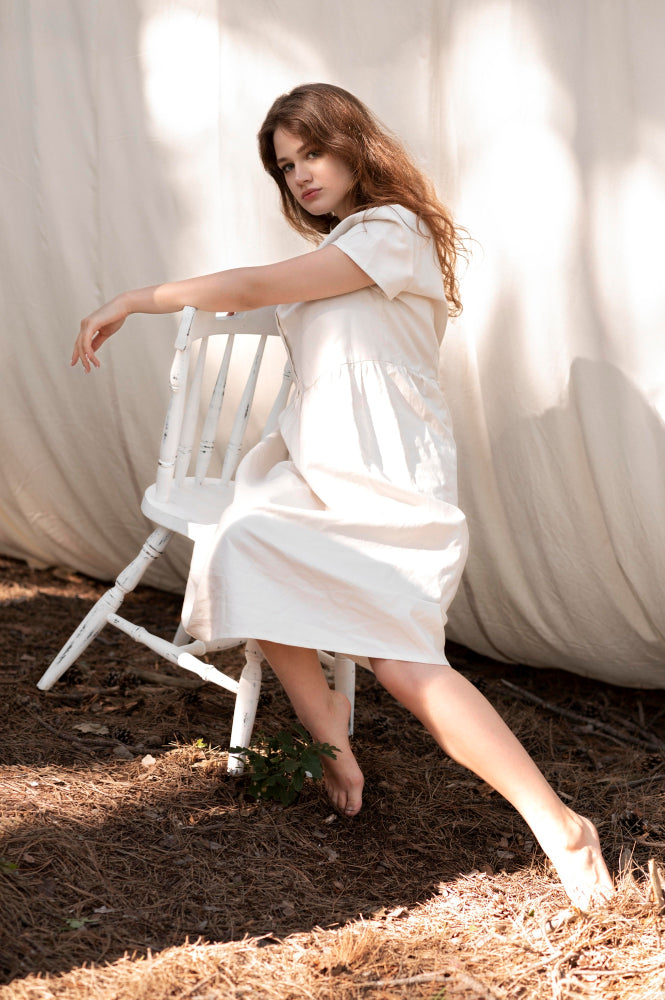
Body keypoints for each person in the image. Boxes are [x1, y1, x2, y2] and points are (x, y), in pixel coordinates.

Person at [72, 83, 613, 910]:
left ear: (355, 146)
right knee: (246, 545)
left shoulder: (392, 231)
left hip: (386, 471)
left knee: (403, 664)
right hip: (315, 465)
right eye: (286, 166)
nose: (300, 175)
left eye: (313, 153)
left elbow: (253, 286)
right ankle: (329, 735)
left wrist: (134, 299)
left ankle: (560, 824)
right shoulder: (345, 247)